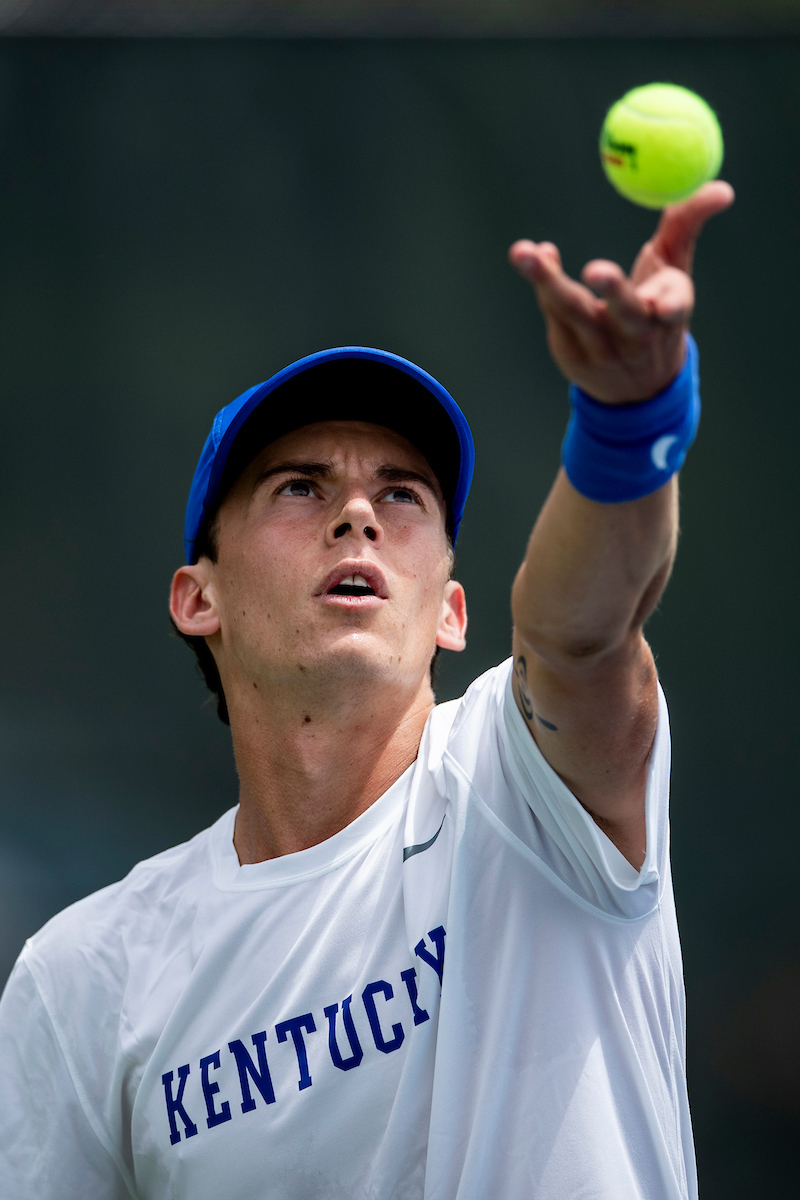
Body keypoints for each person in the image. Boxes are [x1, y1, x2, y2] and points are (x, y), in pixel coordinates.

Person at [0, 180, 733, 1200]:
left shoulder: (525, 791)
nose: (357, 511)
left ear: (452, 613)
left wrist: (626, 421)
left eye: (402, 493)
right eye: (298, 486)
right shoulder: (85, 976)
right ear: (195, 597)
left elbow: (581, 630)